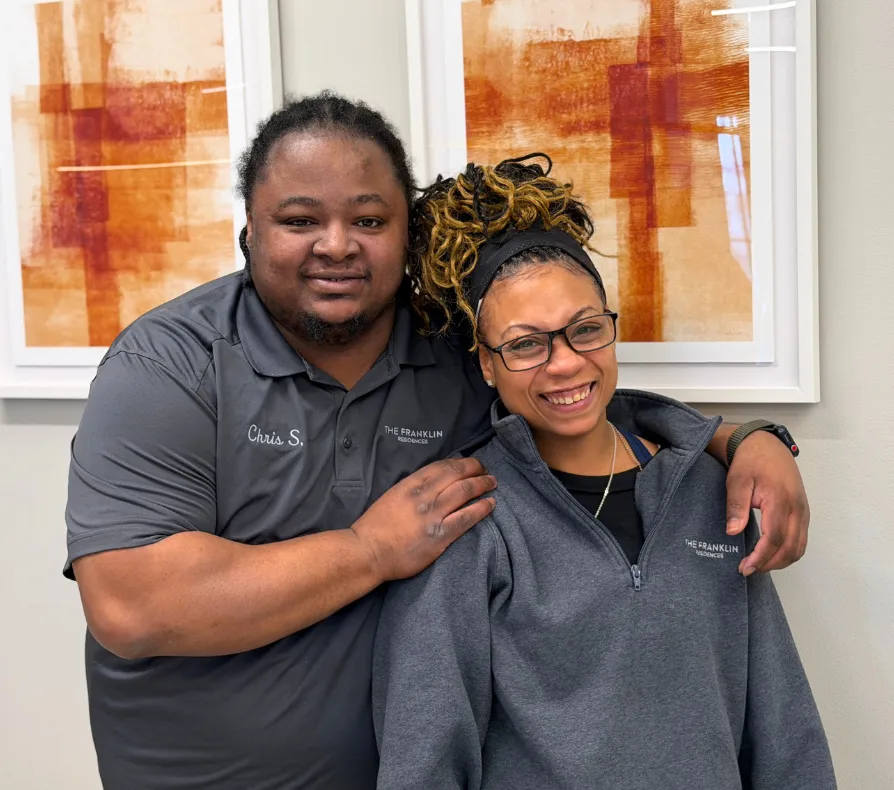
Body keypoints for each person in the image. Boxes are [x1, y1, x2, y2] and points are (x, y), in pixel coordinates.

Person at [64, 93, 810, 790]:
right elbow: (133, 608)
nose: (336, 245)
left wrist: (740, 439)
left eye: (369, 219)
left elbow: (567, 388)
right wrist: (370, 550)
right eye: (299, 220)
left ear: (405, 232)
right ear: (248, 231)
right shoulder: (169, 365)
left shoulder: (452, 357)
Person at [372, 155, 835, 789]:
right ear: (486, 363)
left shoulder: (710, 495)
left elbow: (784, 733)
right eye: (527, 344)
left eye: (585, 330)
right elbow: (423, 762)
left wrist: (749, 438)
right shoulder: (468, 519)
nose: (564, 364)